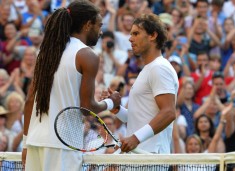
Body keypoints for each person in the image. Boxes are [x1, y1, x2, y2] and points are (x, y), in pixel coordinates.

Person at [22, 1, 121, 171]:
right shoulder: (87, 55)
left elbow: (30, 100)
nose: (101, 31)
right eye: (99, 25)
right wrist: (112, 102)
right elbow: (86, 108)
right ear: (88, 25)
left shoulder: (45, 53)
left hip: (35, 142)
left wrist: (25, 143)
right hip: (64, 146)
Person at [111, 13, 179, 154]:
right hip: (140, 155)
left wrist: (135, 139)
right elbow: (138, 119)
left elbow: (169, 112)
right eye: (130, 34)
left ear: (152, 35)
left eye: (136, 33)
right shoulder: (149, 68)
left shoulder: (159, 67)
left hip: (150, 156)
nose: (130, 39)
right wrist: (118, 109)